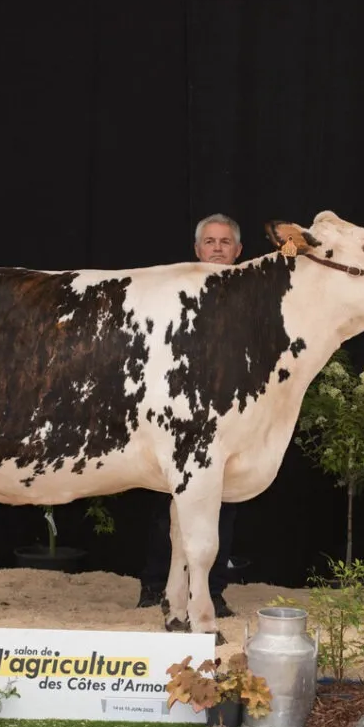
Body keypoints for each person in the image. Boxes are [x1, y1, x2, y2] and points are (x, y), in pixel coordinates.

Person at [137, 213, 243, 617]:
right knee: (162, 503)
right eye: (210, 242)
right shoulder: (171, 290)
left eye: (225, 242)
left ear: (238, 251)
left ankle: (212, 590)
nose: (217, 248)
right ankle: (154, 584)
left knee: (222, 503)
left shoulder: (247, 299)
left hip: (224, 418)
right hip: (170, 415)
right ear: (197, 249)